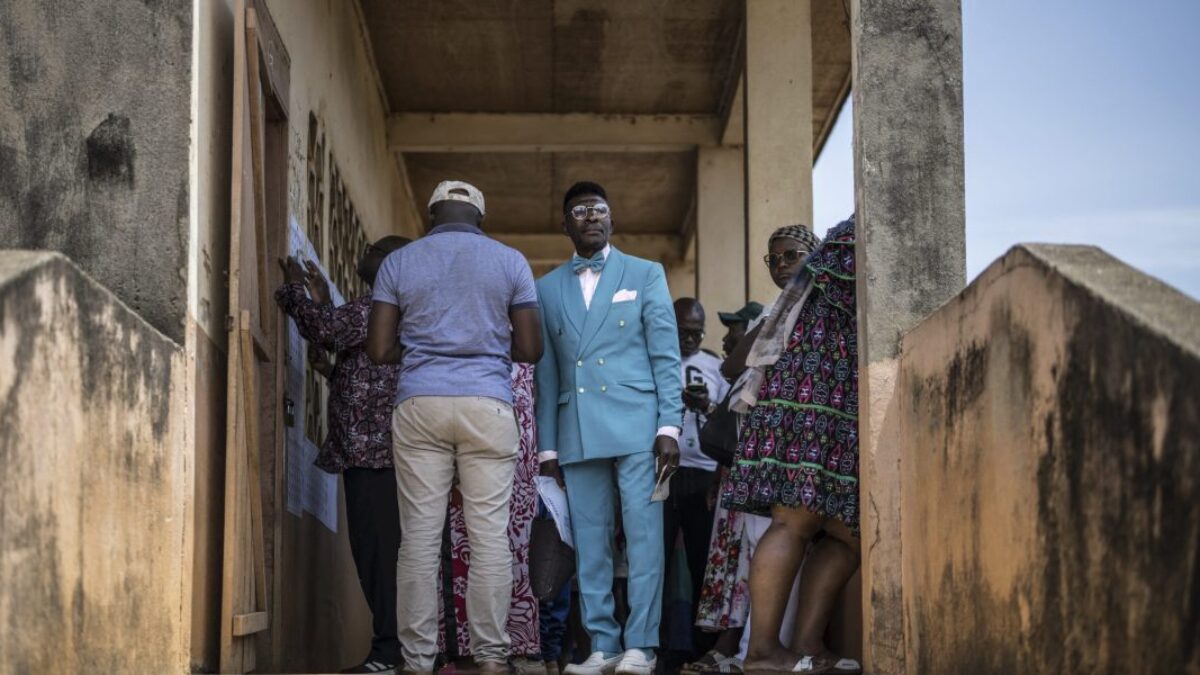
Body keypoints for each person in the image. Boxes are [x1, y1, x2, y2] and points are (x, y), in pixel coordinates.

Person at [367, 180, 544, 675]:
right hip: (487, 405)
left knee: (419, 540)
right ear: (480, 219)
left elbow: (379, 350)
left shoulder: (400, 263)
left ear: (430, 216)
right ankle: (491, 657)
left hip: (420, 403)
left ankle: (417, 661)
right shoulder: (510, 261)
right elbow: (531, 349)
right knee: (489, 538)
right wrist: (482, 349)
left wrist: (427, 351)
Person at [534, 181, 683, 675]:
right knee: (590, 544)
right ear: (565, 225)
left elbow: (665, 355)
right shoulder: (546, 287)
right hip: (576, 430)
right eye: (579, 210)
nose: (591, 216)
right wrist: (547, 449)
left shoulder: (645, 273)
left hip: (640, 428)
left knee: (644, 540)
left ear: (612, 219)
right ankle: (602, 643)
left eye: (600, 208)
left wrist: (671, 426)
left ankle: (641, 644)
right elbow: (547, 371)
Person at [724, 216, 861, 674]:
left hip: (832, 404)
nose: (782, 264)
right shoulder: (844, 248)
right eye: (775, 258)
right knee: (792, 523)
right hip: (808, 403)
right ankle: (762, 653)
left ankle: (804, 645)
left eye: (790, 256)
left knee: (845, 532)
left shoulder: (824, 262)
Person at [275, 235, 410, 674]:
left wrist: (295, 289)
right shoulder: (387, 310)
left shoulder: (380, 306)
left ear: (392, 263)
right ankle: (397, 650)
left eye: (374, 248)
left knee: (378, 557)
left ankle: (390, 653)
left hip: (375, 459)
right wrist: (333, 369)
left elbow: (327, 329)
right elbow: (369, 381)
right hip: (382, 456)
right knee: (381, 556)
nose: (363, 250)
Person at [437, 363, 543, 675]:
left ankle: (512, 650)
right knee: (469, 545)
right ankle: (468, 654)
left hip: (517, 437)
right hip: (473, 424)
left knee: (512, 545)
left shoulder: (526, 318)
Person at [684, 302, 763, 675]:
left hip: (753, 483)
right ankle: (726, 643)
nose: (727, 336)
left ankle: (740, 645)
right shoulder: (739, 374)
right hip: (731, 479)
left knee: (746, 561)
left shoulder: (752, 371)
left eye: (735, 328)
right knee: (730, 561)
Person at [661, 298, 730, 669]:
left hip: (703, 475)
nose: (688, 339)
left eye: (696, 333)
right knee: (656, 561)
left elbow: (727, 423)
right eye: (681, 332)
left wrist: (704, 406)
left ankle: (702, 647)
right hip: (663, 473)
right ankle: (659, 644)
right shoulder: (655, 362)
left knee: (704, 562)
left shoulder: (714, 366)